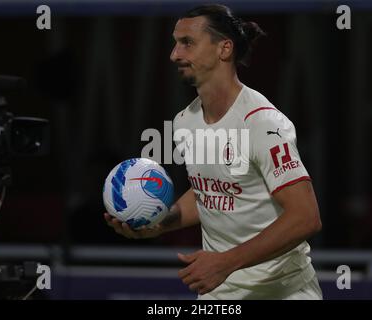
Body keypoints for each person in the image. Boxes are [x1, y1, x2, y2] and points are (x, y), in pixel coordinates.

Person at [105, 3, 323, 300]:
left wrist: (225, 262)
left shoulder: (263, 123)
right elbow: (210, 191)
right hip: (220, 295)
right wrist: (158, 224)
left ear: (224, 49)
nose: (174, 55)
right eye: (175, 43)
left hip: (283, 292)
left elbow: (306, 217)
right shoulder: (185, 121)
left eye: (187, 43)